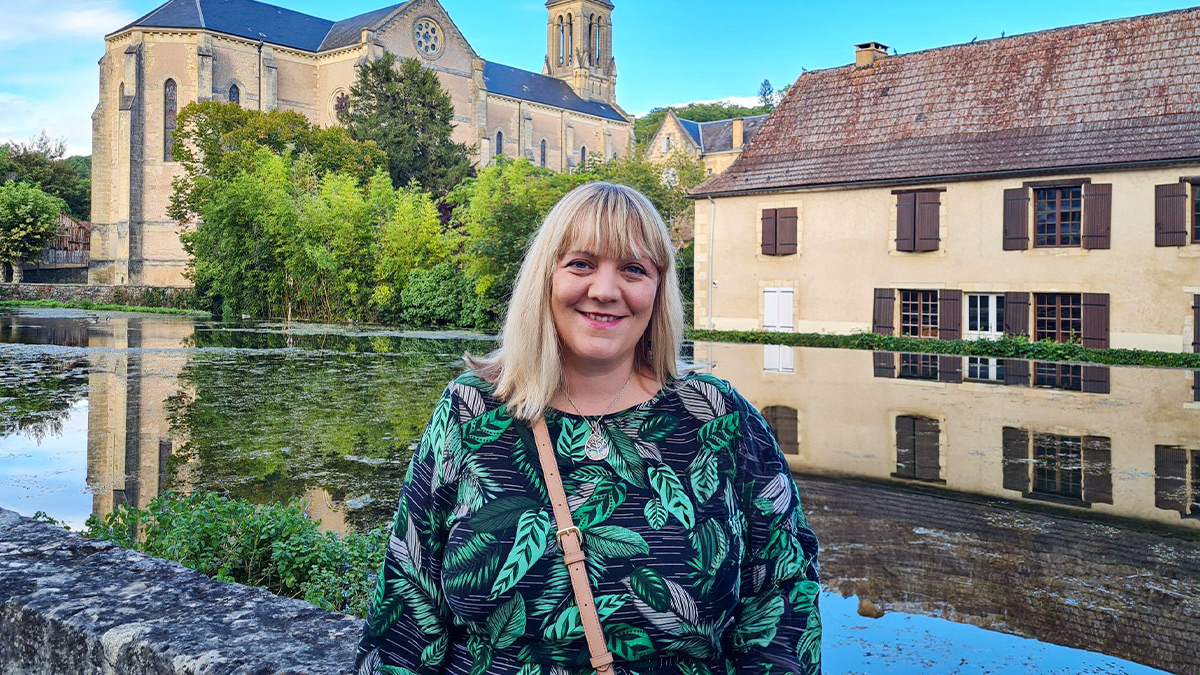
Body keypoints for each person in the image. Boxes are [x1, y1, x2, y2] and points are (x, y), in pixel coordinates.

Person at [355, 182, 820, 675]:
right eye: (581, 264)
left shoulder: (720, 418)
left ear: (658, 291)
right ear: (546, 278)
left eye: (633, 269)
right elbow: (407, 606)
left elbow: (784, 599)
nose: (604, 290)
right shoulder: (470, 414)